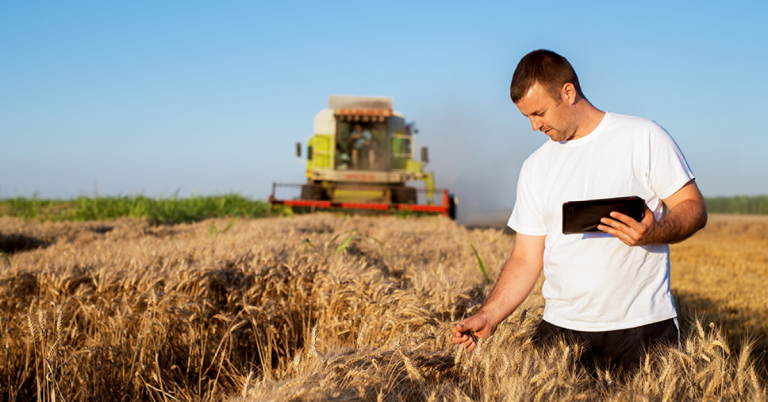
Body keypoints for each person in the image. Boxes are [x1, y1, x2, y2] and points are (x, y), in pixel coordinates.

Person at [450, 49, 707, 374]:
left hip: (643, 329)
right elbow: (525, 258)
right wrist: (489, 315)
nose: (533, 126)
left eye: (539, 112)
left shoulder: (643, 137)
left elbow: (694, 208)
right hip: (561, 333)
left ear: (568, 92)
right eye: (526, 117)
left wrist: (654, 233)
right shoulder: (535, 167)